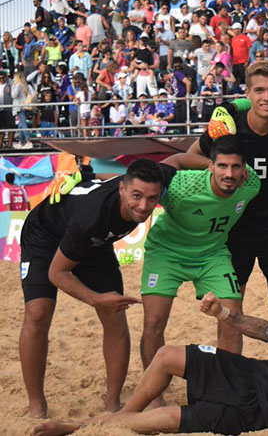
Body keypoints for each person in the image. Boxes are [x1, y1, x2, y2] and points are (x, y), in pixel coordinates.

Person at [29, 295, 268, 436]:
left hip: (257, 417)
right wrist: (226, 314)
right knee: (166, 356)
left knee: (165, 423)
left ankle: (87, 427)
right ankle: (107, 425)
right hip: (253, 376)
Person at [18, 157, 203, 418]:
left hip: (95, 244)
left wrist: (218, 167)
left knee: (115, 316)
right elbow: (57, 273)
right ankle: (37, 406)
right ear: (122, 190)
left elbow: (179, 159)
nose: (144, 206)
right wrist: (95, 299)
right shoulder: (92, 216)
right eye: (136, 196)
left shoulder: (152, 179)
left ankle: (113, 404)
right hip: (46, 235)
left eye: (152, 199)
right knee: (38, 313)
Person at [189, 60, 268, 360]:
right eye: (259, 90)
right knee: (230, 307)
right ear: (248, 93)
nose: (267, 97)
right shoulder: (229, 127)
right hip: (234, 230)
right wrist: (225, 172)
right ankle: (230, 375)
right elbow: (189, 157)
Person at [139, 136, 260, 382]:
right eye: (222, 166)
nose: (229, 173)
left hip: (212, 254)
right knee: (153, 322)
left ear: (245, 169)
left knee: (233, 318)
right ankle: (153, 394)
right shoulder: (182, 187)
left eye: (236, 167)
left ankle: (225, 387)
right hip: (167, 252)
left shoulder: (252, 184)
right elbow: (137, 186)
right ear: (210, 166)